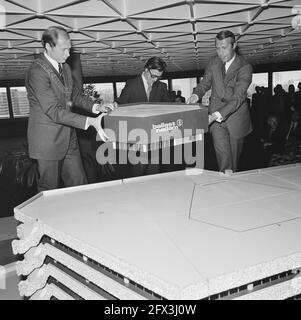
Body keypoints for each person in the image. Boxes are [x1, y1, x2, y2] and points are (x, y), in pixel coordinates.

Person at [26, 26, 115, 192]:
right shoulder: (37, 72)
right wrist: (89, 121)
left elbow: (75, 96)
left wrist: (97, 106)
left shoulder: (65, 68)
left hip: (69, 138)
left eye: (70, 48)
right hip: (48, 142)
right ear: (48, 46)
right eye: (64, 49)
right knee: (49, 189)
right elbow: (53, 110)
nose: (68, 54)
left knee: (79, 183)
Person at [187, 30, 253, 172]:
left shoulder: (245, 67)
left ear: (234, 45)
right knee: (223, 158)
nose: (220, 52)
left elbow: (238, 98)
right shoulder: (213, 62)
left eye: (224, 48)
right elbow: (205, 83)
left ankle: (231, 185)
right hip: (216, 121)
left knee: (233, 162)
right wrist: (195, 95)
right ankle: (225, 183)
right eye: (217, 48)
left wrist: (214, 116)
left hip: (235, 119)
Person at [116, 57, 171, 178]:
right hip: (137, 136)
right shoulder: (131, 85)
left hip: (156, 137)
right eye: (153, 76)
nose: (155, 79)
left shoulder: (162, 87)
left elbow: (168, 109)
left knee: (154, 171)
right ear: (146, 69)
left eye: (159, 77)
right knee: (139, 169)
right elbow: (121, 107)